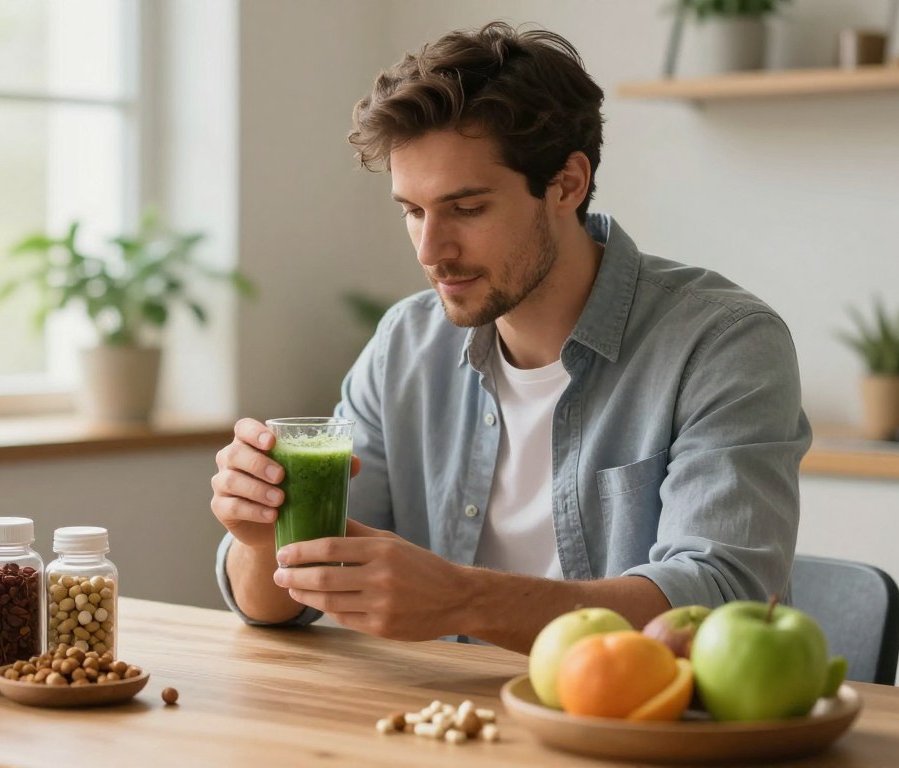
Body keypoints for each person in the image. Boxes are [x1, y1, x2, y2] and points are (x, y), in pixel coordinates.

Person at [209, 22, 810, 654]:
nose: (430, 250)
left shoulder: (722, 345)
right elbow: (274, 605)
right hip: (446, 732)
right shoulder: (405, 345)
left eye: (466, 209)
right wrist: (260, 536)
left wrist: (462, 598)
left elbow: (720, 603)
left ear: (565, 185)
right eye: (412, 211)